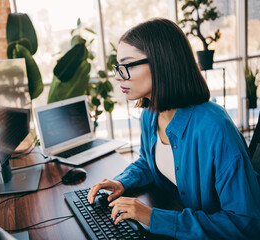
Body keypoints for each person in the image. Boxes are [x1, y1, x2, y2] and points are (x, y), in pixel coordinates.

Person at [87, 18, 260, 239]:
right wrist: (122, 181)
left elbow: (246, 224)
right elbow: (149, 163)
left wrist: (153, 217)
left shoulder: (215, 127)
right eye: (118, 67)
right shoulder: (150, 115)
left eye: (127, 66)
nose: (119, 75)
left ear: (160, 63)